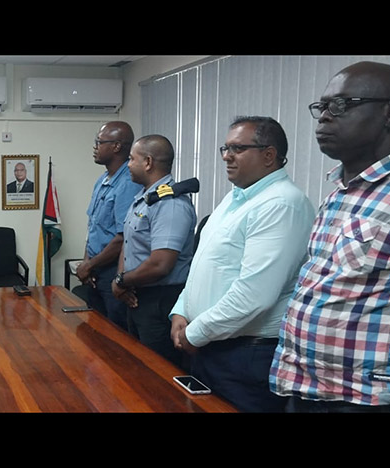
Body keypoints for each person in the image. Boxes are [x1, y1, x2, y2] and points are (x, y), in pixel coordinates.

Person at [270, 61, 390, 413]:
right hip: (307, 386)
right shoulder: (341, 190)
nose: (324, 117)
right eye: (322, 107)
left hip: (366, 399)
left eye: (341, 105)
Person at [169, 116, 315, 412]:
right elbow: (205, 265)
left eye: (237, 148)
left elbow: (254, 296)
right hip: (211, 344)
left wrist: (195, 333)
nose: (226, 155)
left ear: (269, 155)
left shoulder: (281, 204)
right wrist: (182, 310)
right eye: (225, 147)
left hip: (245, 355)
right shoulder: (237, 198)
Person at [111, 135, 196, 367]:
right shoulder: (145, 198)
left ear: (148, 162)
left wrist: (121, 281)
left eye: (131, 159)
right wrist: (122, 281)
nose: (127, 164)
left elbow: (161, 264)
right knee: (138, 369)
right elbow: (128, 245)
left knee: (158, 374)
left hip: (161, 302)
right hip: (137, 296)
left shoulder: (170, 204)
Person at [76, 121, 141, 331]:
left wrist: (90, 265)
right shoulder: (103, 179)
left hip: (113, 273)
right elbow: (93, 225)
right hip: (95, 270)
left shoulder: (128, 183)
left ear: (116, 146)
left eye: (99, 142)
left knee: (114, 338)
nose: (95, 147)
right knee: (95, 332)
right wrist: (86, 263)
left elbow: (122, 238)